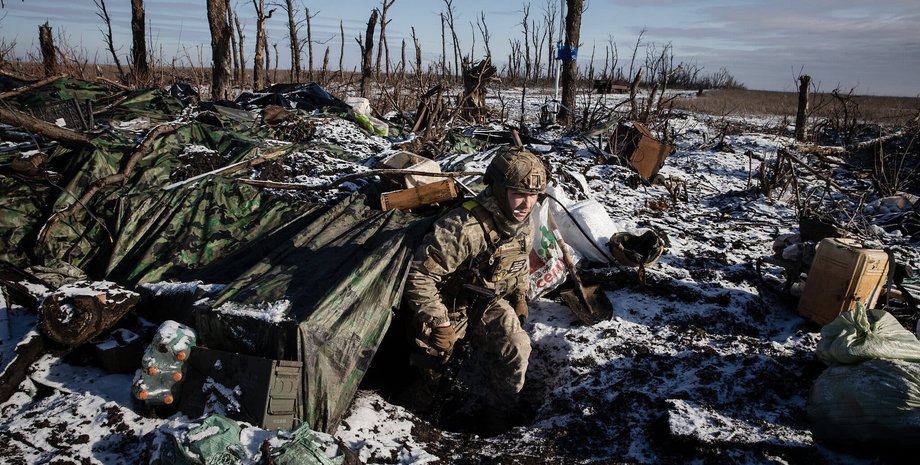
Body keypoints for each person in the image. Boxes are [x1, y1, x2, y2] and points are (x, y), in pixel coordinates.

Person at [402, 147, 547, 433]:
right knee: (431, 368)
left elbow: (519, 262)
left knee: (518, 348)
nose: (527, 203)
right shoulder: (464, 228)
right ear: (497, 189)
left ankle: (497, 416)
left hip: (488, 301)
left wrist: (519, 297)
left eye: (533, 196)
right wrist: (439, 322)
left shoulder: (524, 221)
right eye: (518, 193)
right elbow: (419, 276)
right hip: (447, 304)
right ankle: (415, 422)